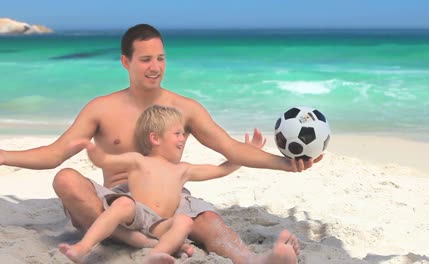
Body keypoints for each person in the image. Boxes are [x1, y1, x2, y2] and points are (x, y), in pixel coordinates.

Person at [0, 24, 322, 263]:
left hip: (171, 199)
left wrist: (288, 165)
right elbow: (55, 154)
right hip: (116, 200)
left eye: (160, 58)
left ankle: (254, 261)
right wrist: (3, 156)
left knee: (208, 220)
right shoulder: (101, 107)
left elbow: (231, 150)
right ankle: (139, 240)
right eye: (145, 60)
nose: (155, 67)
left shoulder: (185, 108)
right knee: (65, 180)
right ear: (125, 62)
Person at [60, 105, 251, 263]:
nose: (183, 138)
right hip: (138, 215)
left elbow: (221, 170)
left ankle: (155, 255)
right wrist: (92, 150)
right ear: (155, 138)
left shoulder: (183, 169)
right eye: (177, 133)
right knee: (123, 203)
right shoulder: (138, 161)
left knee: (184, 221)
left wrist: (244, 156)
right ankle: (82, 247)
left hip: (161, 223)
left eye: (183, 134)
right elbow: (105, 161)